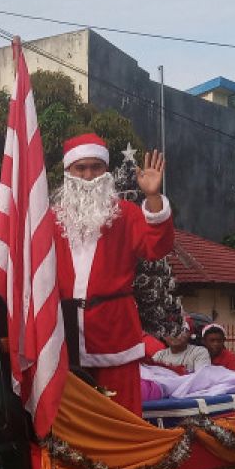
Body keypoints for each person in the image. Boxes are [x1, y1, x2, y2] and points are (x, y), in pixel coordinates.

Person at [51, 133, 173, 415]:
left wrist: (153, 197)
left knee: (122, 415)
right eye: (80, 168)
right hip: (64, 332)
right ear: (68, 172)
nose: (89, 175)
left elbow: (157, 247)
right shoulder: (51, 219)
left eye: (96, 167)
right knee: (74, 419)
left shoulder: (126, 214)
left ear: (106, 171)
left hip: (115, 331)